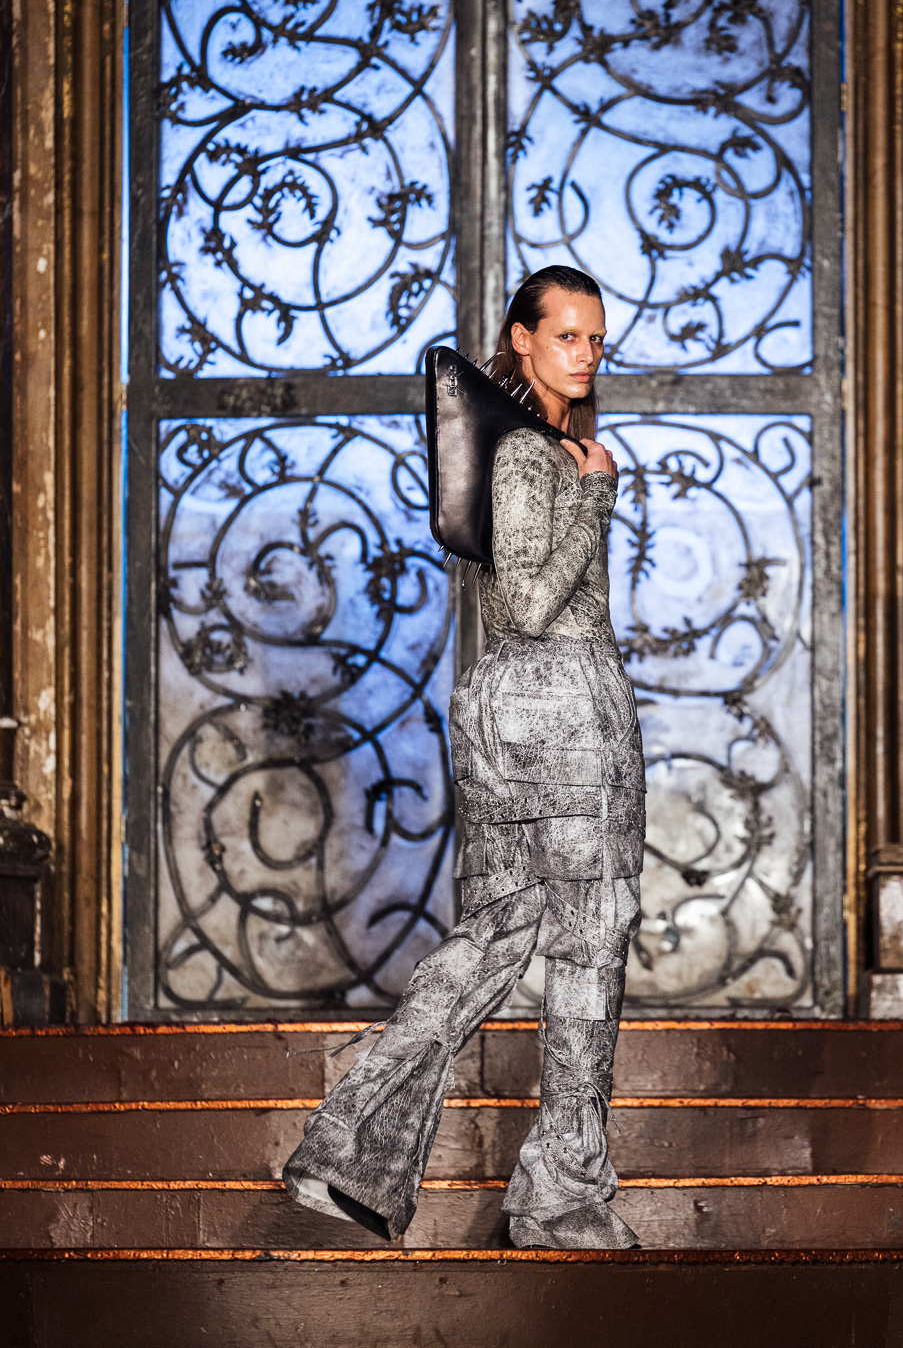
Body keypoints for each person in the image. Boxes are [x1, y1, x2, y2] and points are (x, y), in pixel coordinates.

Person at [283, 265, 645, 1250]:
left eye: (595, 339)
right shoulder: (536, 455)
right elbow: (526, 605)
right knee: (588, 942)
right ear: (521, 339)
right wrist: (597, 494)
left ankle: (347, 1153)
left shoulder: (521, 450)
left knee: (495, 934)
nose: (584, 353)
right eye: (565, 334)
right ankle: (561, 1197)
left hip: (512, 713)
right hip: (561, 709)